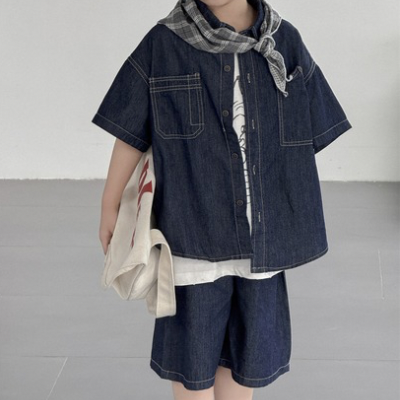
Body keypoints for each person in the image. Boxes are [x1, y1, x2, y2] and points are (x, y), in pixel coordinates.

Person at [92, 0, 352, 399]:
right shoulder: (164, 42)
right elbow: (129, 130)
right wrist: (109, 203)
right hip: (193, 234)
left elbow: (306, 134)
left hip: (261, 242)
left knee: (245, 362)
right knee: (193, 364)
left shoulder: (283, 41)